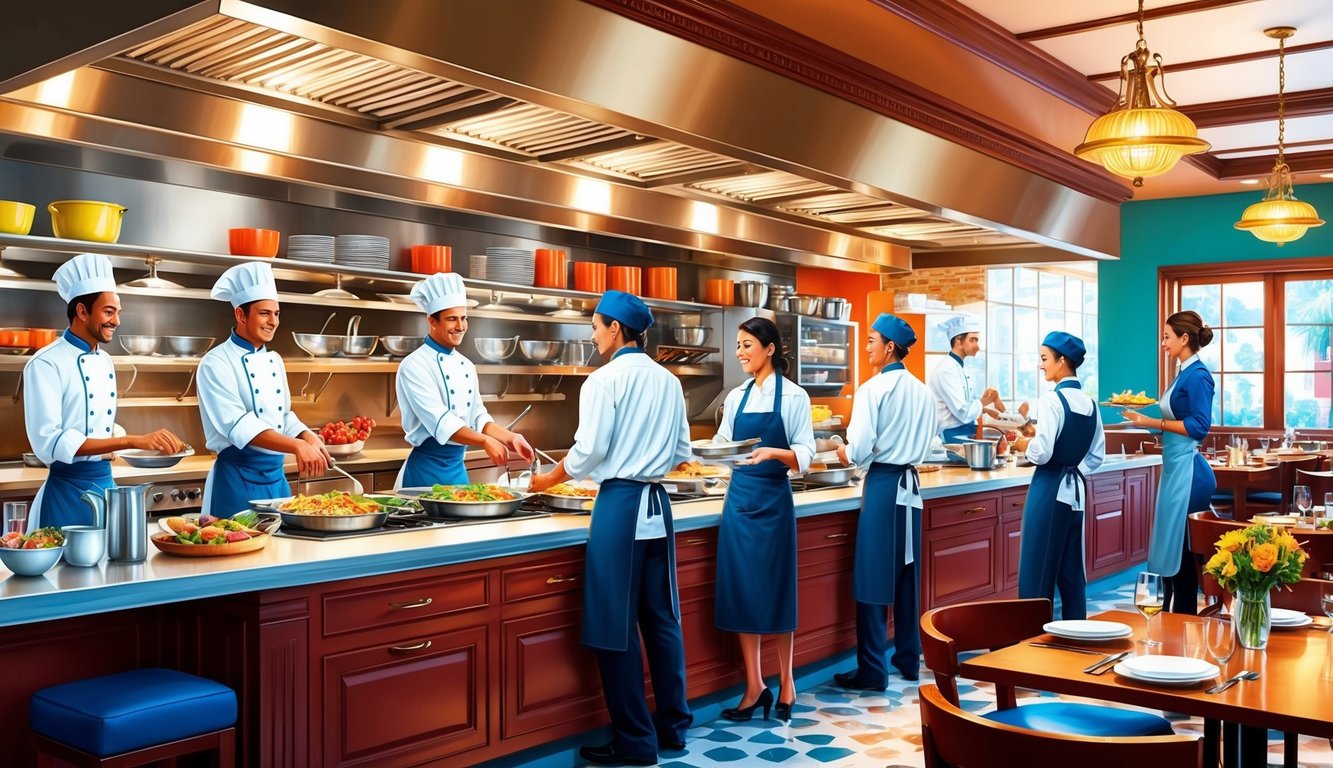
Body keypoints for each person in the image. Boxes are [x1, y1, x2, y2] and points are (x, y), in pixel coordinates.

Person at [528, 290, 692, 766]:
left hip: (620, 505)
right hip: (658, 506)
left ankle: (635, 742)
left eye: (596, 325)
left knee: (613, 627)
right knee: (662, 622)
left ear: (616, 329)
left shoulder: (602, 382)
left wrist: (547, 478)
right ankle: (673, 729)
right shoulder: (668, 381)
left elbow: (588, 453)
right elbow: (682, 451)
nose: (592, 334)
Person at [23, 254, 185, 530]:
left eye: (118, 312)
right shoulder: (46, 362)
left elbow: (94, 424)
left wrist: (123, 439)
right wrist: (132, 441)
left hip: (105, 486)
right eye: (109, 312)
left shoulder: (104, 360)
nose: (117, 321)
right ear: (82, 311)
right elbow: (50, 443)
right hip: (66, 495)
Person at [710, 316, 815, 722]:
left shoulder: (793, 397)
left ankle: (787, 682)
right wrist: (704, 458)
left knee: (776, 591)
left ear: (770, 349)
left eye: (747, 345)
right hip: (738, 503)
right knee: (742, 592)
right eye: (737, 345)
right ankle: (755, 685)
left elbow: (805, 454)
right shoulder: (735, 398)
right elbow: (723, 446)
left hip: (773, 503)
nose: (740, 353)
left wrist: (774, 453)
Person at [833, 313, 937, 689]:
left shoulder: (872, 390)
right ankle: (908, 660)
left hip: (883, 485)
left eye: (871, 340)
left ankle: (873, 670)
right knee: (908, 575)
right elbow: (929, 445)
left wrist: (843, 451)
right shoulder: (923, 391)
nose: (867, 347)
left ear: (889, 347)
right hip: (911, 485)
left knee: (873, 577)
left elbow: (859, 449)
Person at [197, 262, 330, 517]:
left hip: (276, 481)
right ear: (240, 315)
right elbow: (239, 425)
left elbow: (283, 415)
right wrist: (296, 447)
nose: (273, 322)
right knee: (234, 549)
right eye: (265, 314)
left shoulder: (275, 360)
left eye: (277, 314)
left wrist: (306, 435)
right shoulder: (215, 362)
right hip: (236, 480)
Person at [395, 272, 533, 488]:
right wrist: (485, 441)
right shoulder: (413, 366)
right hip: (423, 474)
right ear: (432, 321)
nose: (460, 326)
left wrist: (511, 438)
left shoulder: (466, 365)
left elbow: (478, 417)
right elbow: (441, 421)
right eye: (452, 319)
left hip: (457, 471)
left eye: (464, 318)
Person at [1122, 310, 1216, 614]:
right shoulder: (1183, 373)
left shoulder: (1199, 375)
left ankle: (1183, 623)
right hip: (1173, 470)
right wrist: (1140, 420)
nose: (1163, 343)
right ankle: (1166, 626)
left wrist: (1153, 421)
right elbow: (1173, 419)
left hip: (1189, 473)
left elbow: (1199, 426)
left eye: (1167, 337)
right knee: (1167, 551)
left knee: (1183, 555)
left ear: (1184, 338)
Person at [1018, 332, 1104, 620]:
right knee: (1071, 573)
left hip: (1048, 488)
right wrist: (1073, 470)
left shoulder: (1052, 400)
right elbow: (1096, 456)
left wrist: (1022, 445)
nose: (1041, 365)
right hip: (1076, 493)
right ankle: (1075, 640)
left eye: (1044, 359)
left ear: (1062, 360)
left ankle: (1030, 645)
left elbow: (1041, 453)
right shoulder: (1091, 404)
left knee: (1036, 570)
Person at [929, 314, 1002, 442]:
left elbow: (963, 404)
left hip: (965, 432)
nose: (977, 346)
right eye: (972, 340)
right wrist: (985, 401)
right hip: (952, 435)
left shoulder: (960, 367)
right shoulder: (946, 370)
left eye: (977, 341)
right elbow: (962, 411)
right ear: (958, 341)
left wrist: (984, 408)